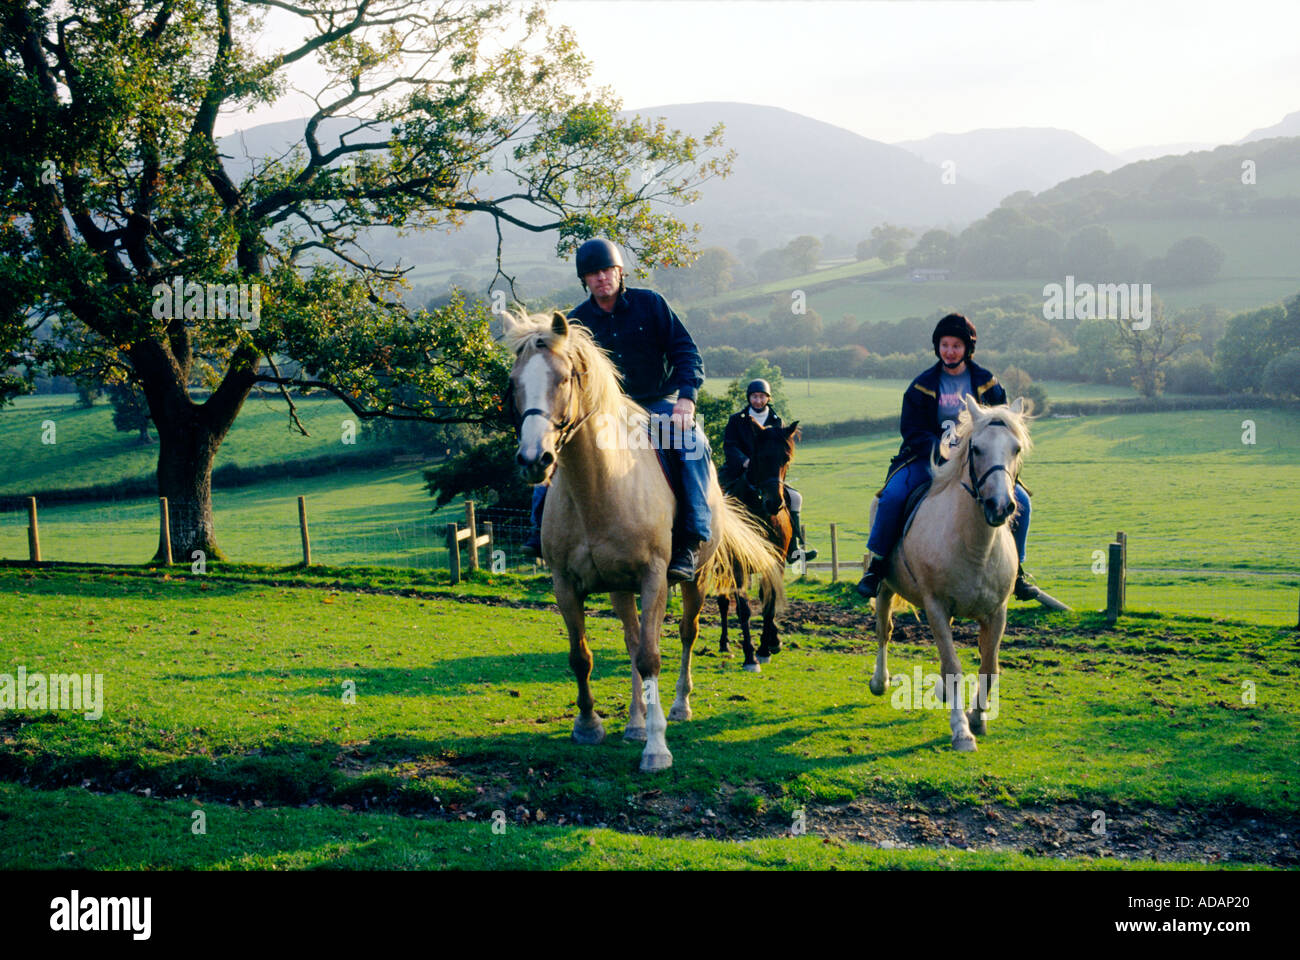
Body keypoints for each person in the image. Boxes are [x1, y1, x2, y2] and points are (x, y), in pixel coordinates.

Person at [523, 238, 712, 583]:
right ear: (585, 280)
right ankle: (539, 529)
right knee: (553, 446)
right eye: (592, 273)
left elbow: (686, 351)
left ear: (620, 271)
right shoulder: (576, 322)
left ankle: (691, 537)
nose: (601, 278)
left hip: (657, 404)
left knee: (694, 442)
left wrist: (687, 397)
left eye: (606, 270)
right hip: (605, 414)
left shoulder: (651, 304)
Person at [856, 313, 1037, 601]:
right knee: (890, 497)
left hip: (977, 462)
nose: (949, 351)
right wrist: (939, 449)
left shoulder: (987, 383)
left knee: (1022, 501)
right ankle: (877, 566)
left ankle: (1018, 571)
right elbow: (911, 429)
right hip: (927, 459)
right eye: (944, 345)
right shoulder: (921, 385)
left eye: (956, 345)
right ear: (937, 347)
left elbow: (1002, 425)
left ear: (967, 349)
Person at [719, 379, 818, 563]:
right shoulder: (736, 420)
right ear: (749, 398)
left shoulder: (777, 421)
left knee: (795, 498)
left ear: (768, 398)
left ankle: (794, 551)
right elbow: (730, 446)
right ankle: (711, 546)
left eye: (761, 397)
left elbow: (779, 451)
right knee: (718, 499)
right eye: (754, 397)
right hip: (738, 470)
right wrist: (744, 461)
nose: (758, 400)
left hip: (766, 475)